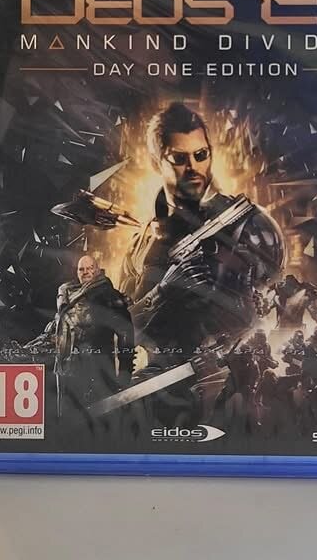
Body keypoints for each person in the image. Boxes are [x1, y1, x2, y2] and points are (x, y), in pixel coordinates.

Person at [121, 102, 285, 367]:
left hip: (229, 374)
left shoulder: (251, 225)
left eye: (201, 155)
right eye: (179, 158)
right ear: (155, 162)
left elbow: (270, 314)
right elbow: (121, 329)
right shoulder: (141, 243)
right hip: (160, 381)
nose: (193, 167)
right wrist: (163, 293)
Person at [31, 254, 135, 409]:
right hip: (67, 372)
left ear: (98, 270)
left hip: (97, 371)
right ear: (77, 272)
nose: (85, 272)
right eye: (81, 269)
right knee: (70, 417)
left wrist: (124, 375)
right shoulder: (67, 295)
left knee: (98, 415)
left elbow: (126, 333)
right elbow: (58, 330)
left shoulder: (109, 296)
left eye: (90, 268)